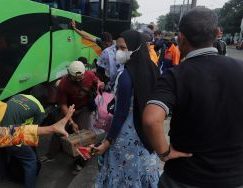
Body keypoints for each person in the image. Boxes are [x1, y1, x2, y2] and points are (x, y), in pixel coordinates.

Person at [143, 7, 243, 188]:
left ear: (180, 37)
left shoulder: (175, 76)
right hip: (234, 178)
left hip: (184, 178)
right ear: (217, 33)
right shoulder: (240, 68)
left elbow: (151, 120)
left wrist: (164, 153)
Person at [94, 30, 160, 187]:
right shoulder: (153, 68)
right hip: (146, 133)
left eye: (123, 48)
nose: (119, 52)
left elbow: (121, 113)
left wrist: (107, 142)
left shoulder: (125, 76)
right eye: (118, 48)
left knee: (123, 174)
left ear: (136, 48)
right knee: (144, 171)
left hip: (126, 135)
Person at [0, 93, 47, 188]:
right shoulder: (40, 110)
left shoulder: (20, 96)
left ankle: (4, 176)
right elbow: (33, 131)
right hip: (10, 134)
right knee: (31, 160)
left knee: (2, 150)